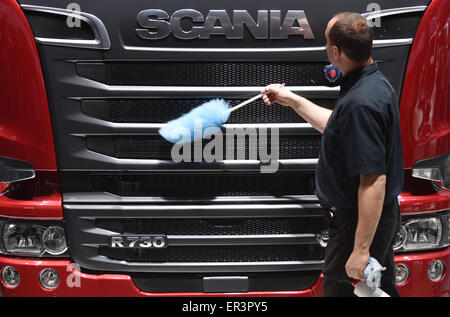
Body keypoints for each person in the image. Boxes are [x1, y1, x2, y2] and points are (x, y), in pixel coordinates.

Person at [262, 12, 403, 297]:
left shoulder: (361, 103)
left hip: (357, 221)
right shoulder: (370, 85)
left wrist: (361, 250)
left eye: (327, 44)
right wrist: (293, 101)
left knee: (340, 290)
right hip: (374, 217)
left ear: (336, 52)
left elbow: (374, 181)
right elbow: (337, 127)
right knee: (379, 290)